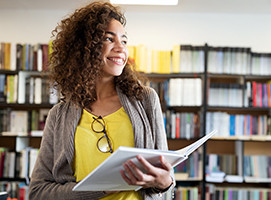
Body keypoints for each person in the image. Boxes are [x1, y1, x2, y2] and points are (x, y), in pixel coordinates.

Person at [28, 1, 175, 200]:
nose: (120, 48)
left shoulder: (146, 100)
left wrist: (165, 183)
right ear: (85, 47)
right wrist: (101, 188)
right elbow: (38, 192)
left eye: (124, 41)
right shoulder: (59, 115)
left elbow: (167, 180)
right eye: (109, 39)